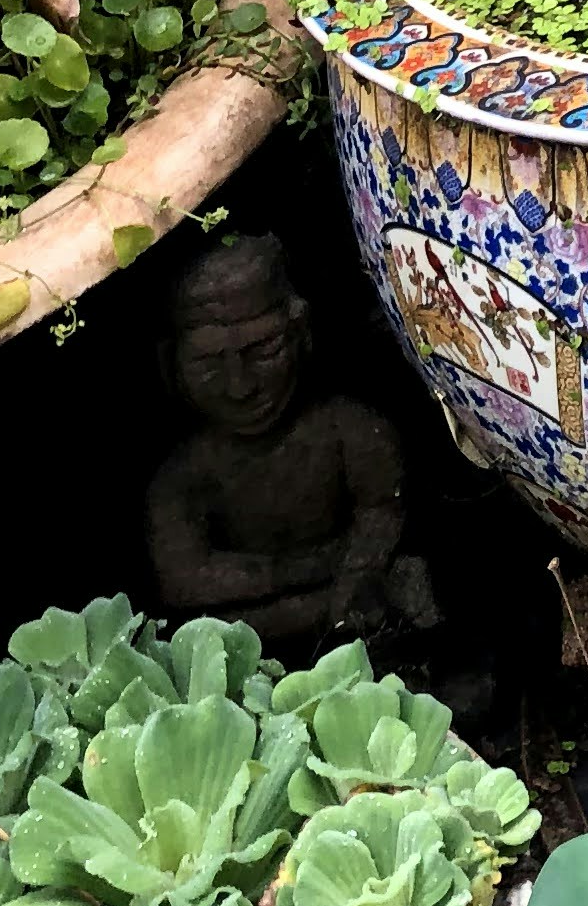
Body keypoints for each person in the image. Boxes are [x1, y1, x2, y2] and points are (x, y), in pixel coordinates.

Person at [146, 230, 436, 645]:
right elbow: (184, 582)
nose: (240, 385)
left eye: (263, 350)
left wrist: (354, 580)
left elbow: (381, 514)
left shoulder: (347, 431)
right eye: (208, 363)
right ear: (169, 364)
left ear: (301, 332)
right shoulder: (183, 478)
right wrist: (318, 579)